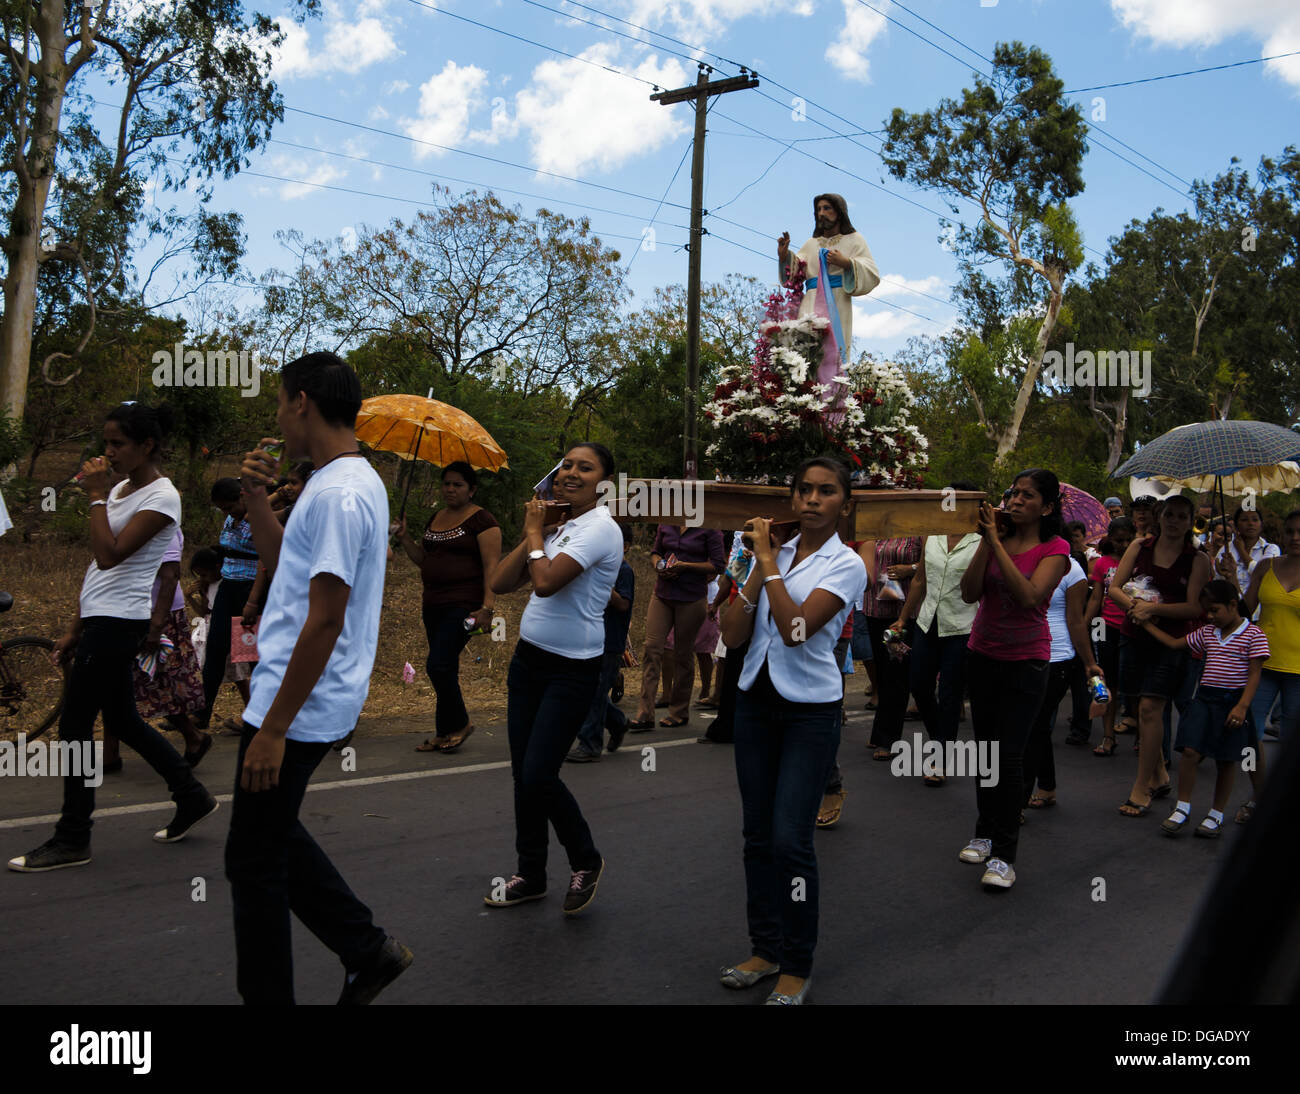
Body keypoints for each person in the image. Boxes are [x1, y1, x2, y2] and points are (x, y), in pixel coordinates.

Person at [225, 351, 411, 1005]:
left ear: (302, 402)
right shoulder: (337, 483)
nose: (278, 415)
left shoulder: (339, 493)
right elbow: (283, 562)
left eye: (280, 402)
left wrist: (273, 728)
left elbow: (326, 620)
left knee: (251, 861)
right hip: (299, 696)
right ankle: (367, 949)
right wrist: (253, 498)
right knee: (270, 838)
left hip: (296, 704)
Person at [8, 403, 218, 873]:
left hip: (122, 623)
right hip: (101, 618)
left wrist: (97, 498)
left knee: (75, 728)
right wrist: (73, 628)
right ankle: (191, 795)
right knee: (123, 720)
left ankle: (73, 837)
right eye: (106, 443)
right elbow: (94, 571)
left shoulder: (163, 498)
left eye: (118, 443)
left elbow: (111, 556)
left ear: (146, 446)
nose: (108, 452)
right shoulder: (122, 488)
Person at [718, 457, 867, 1005]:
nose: (811, 499)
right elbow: (733, 636)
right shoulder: (767, 554)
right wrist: (755, 568)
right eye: (803, 489)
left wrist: (769, 565)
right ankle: (766, 948)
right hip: (755, 703)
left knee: (790, 840)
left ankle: (797, 965)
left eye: (826, 491)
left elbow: (798, 629)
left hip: (810, 712)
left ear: (843, 504)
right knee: (757, 835)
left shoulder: (847, 565)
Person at [484, 443, 623, 913]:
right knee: (523, 773)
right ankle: (533, 873)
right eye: (565, 464)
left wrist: (534, 532)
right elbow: (503, 584)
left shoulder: (601, 530)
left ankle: (586, 858)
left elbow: (545, 583)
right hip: (529, 662)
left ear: (603, 484)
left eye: (585, 468)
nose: (570, 473)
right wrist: (534, 535)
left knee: (539, 773)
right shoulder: (557, 528)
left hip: (572, 668)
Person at [957, 469, 1070, 890]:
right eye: (1013, 493)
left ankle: (1005, 856)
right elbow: (969, 593)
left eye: (1027, 495)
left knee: (1009, 757)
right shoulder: (996, 539)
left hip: (1026, 662)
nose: (1016, 500)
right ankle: (984, 834)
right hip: (982, 654)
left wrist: (995, 544)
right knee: (985, 752)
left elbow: (1028, 597)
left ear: (1047, 506)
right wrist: (989, 543)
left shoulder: (1056, 549)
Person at [1108, 494, 1212, 818]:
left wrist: (1153, 609)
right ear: (1159, 516)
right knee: (1139, 708)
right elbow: (1115, 587)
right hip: (1133, 637)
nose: (1175, 521)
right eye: (1170, 514)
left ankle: (1142, 787)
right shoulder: (1140, 547)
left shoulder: (1198, 560)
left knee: (1153, 708)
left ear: (1190, 521)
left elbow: (1196, 606)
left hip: (1170, 642)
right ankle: (1161, 774)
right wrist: (1135, 610)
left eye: (1182, 516)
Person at [1138, 581, 1267, 839]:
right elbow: (1175, 644)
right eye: (1206, 611)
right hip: (1204, 699)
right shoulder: (1208, 632)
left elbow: (1254, 675)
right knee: (1189, 750)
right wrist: (1147, 625)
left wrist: (1242, 707)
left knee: (1226, 760)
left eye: (1214, 610)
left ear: (1233, 605)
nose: (1209, 616)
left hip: (1233, 703)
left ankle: (1216, 814)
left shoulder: (1254, 635)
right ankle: (1182, 808)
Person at [390, 461, 502, 753]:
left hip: (464, 606)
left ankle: (462, 723)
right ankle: (444, 732)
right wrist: (404, 538)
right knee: (445, 668)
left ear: (472, 489)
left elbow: (493, 567)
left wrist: (487, 608)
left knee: (437, 665)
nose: (450, 489)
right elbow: (424, 560)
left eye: (458, 484)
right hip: (433, 604)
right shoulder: (436, 517)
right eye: (447, 484)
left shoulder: (483, 521)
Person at [892, 486, 982, 786]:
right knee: (918, 683)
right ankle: (939, 740)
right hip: (928, 622)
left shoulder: (982, 541)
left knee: (950, 694)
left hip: (962, 625)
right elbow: (920, 580)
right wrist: (903, 618)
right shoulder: (931, 534)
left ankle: (941, 757)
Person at [104, 528, 211, 774]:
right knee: (115, 679)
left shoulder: (162, 521)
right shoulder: (126, 514)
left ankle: (193, 736)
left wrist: (156, 625)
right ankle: (111, 753)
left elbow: (170, 576)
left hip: (157, 615)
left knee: (153, 684)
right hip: (128, 609)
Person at [1228, 509, 1300, 822]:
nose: (1295, 538)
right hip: (1262, 666)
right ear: (1281, 534)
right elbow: (1244, 612)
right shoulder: (1266, 566)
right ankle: (1259, 795)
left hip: (1299, 673)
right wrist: (1231, 579)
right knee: (1247, 732)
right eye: (1290, 531)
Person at [1022, 549, 1102, 810]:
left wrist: (1090, 663)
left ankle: (1018, 802)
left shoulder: (1071, 568)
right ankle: (1047, 787)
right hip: (1017, 652)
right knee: (1037, 726)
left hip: (1057, 658)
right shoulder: (1015, 557)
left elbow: (1076, 620)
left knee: (1033, 726)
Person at [630, 522, 724, 730]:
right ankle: (644, 713)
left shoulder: (710, 526)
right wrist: (659, 566)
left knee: (683, 653)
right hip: (663, 594)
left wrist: (686, 566)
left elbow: (718, 565)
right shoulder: (667, 522)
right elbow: (655, 553)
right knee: (652, 648)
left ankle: (679, 711)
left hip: (691, 598)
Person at [777, 193, 880, 360]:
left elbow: (871, 272)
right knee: (805, 350)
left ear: (839, 212)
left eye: (826, 208)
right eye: (818, 209)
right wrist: (784, 257)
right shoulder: (811, 243)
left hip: (838, 302)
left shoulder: (855, 240)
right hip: (810, 303)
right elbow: (796, 273)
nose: (821, 213)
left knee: (834, 352)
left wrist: (847, 263)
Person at [568, 523, 636, 761]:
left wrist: (603, 586)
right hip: (588, 637)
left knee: (596, 692)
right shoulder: (596, 567)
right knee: (588, 690)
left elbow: (623, 604)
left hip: (610, 642)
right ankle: (617, 722)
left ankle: (590, 744)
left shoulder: (623, 571)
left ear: (624, 547)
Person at [200, 477, 259, 731]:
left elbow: (267, 561)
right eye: (222, 508)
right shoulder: (229, 520)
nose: (226, 512)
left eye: (229, 506)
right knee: (215, 648)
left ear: (243, 497)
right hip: (229, 585)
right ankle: (202, 712)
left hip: (251, 589)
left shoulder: (259, 519)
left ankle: (259, 714)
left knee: (251, 656)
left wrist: (253, 602)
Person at [861, 534, 922, 760]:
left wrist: (910, 568)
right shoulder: (876, 530)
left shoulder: (918, 532)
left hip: (903, 614)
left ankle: (888, 739)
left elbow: (928, 565)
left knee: (897, 674)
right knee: (883, 672)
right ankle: (880, 731)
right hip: (875, 610)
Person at [1086, 516, 1136, 756]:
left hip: (1135, 628)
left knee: (1135, 685)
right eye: (1119, 540)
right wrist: (1083, 625)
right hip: (1108, 626)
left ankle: (1142, 737)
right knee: (1108, 684)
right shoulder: (1102, 563)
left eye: (1128, 539)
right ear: (1110, 539)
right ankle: (1108, 735)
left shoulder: (1141, 562)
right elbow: (1096, 598)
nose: (1124, 544)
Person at [1215, 506, 1279, 612]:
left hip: (1259, 613)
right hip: (1231, 612)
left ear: (1261, 524)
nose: (1250, 523)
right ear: (1235, 526)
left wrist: (1241, 550)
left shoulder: (1270, 549)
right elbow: (1218, 580)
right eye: (1244, 520)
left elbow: (1265, 576)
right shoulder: (1226, 549)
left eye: (1255, 520)